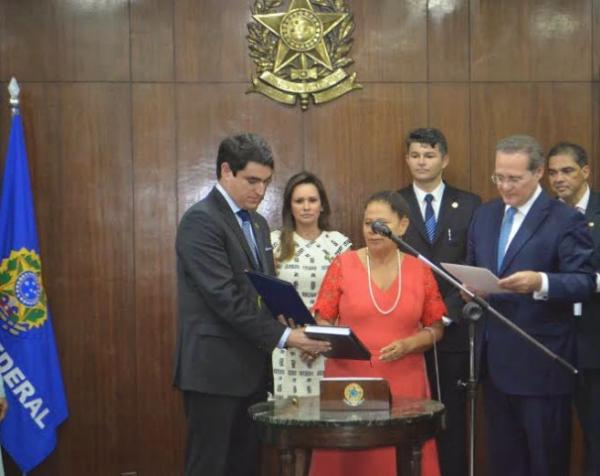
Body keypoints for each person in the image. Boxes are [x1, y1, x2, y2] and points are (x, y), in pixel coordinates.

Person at [173, 133, 330, 476]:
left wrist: (297, 322)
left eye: (266, 182)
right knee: (210, 466)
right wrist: (287, 338)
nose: (260, 191)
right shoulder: (201, 221)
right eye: (252, 181)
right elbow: (224, 298)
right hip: (213, 374)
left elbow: (263, 291)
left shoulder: (257, 223)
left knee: (246, 466)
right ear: (226, 171)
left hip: (253, 371)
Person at [466, 135, 595, 476]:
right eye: (498, 177)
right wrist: (469, 289)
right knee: (505, 462)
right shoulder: (485, 215)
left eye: (514, 178)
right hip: (494, 362)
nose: (504, 186)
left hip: (542, 363)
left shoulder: (564, 218)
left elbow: (584, 281)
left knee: (545, 462)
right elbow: (473, 265)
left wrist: (541, 282)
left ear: (538, 173)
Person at [309, 190, 446, 476]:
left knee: (401, 460)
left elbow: (436, 328)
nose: (373, 231)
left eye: (381, 224)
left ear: (403, 225)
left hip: (405, 381)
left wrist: (410, 344)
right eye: (367, 223)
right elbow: (323, 317)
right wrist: (335, 339)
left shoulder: (420, 270)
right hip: (349, 380)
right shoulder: (342, 265)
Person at [399, 127, 480, 476]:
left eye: (429, 155)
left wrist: (442, 315)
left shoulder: (471, 204)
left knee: (451, 421)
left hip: (454, 331)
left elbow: (474, 264)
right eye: (415, 155)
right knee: (406, 419)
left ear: (444, 159)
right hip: (406, 332)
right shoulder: (394, 203)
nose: (422, 161)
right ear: (406, 159)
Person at [270, 171, 351, 397]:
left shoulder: (339, 244)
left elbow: (348, 301)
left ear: (322, 205)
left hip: (326, 346)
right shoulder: (273, 242)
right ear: (290, 206)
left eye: (312, 200)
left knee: (326, 421)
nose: (306, 207)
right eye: (299, 201)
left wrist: (321, 338)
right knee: (285, 421)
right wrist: (294, 338)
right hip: (285, 345)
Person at [547, 142, 600, 476]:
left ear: (585, 171)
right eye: (552, 172)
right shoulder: (546, 216)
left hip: (595, 339)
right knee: (550, 436)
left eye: (566, 171)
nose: (558, 179)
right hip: (552, 341)